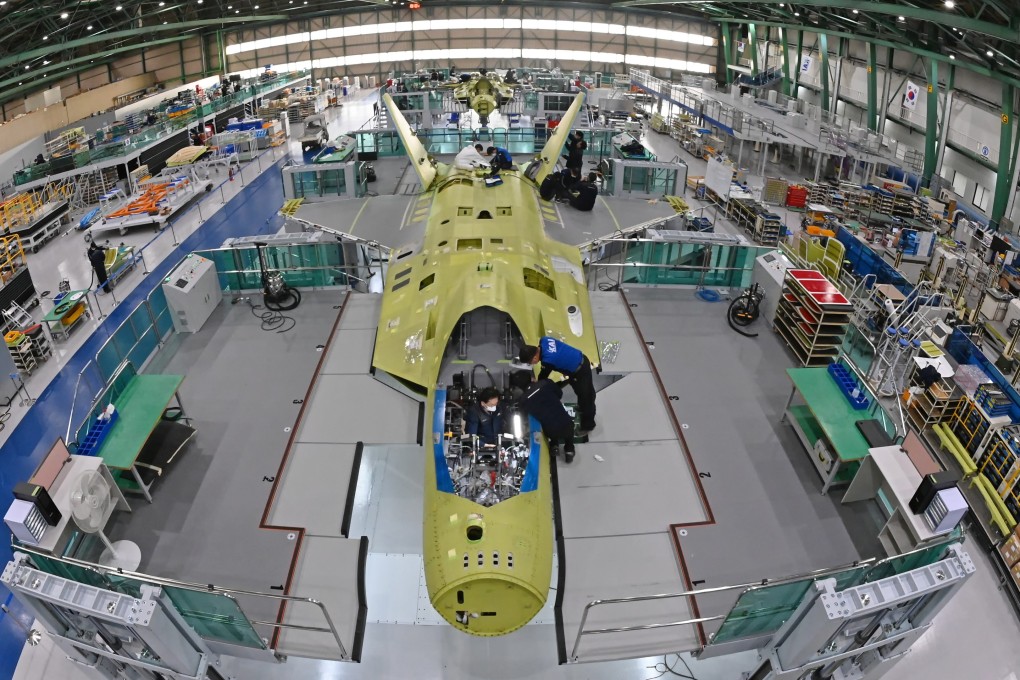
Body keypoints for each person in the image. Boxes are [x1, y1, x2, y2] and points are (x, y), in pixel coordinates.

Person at [519, 337, 595, 431]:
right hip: (580, 360)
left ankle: (588, 425)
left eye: (530, 362)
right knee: (580, 391)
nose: (532, 364)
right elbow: (559, 351)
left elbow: (543, 377)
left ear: (534, 358)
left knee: (587, 397)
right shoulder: (544, 340)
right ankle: (583, 407)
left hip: (579, 371)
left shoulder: (548, 360)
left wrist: (535, 383)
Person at [511, 371, 576, 463]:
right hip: (566, 424)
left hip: (550, 431)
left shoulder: (523, 401)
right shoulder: (546, 383)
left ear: (518, 387)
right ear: (532, 378)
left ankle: (554, 446)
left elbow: (525, 417)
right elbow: (559, 394)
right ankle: (569, 451)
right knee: (569, 432)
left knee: (550, 423)